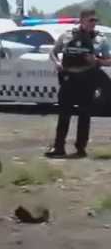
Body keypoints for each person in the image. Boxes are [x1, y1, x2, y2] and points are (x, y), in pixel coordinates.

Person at [45, 9, 111, 158]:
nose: (93, 23)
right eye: (90, 20)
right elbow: (53, 52)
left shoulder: (100, 40)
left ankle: (80, 149)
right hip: (69, 79)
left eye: (95, 20)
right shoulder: (68, 35)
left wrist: (98, 61)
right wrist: (57, 63)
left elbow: (109, 60)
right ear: (82, 20)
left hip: (88, 79)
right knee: (64, 114)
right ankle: (59, 147)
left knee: (84, 114)